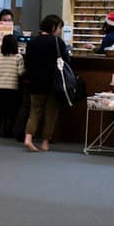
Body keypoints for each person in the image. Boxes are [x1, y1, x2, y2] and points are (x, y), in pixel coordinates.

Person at [23, 14, 71, 152]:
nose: (60, 31)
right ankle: (45, 143)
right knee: (51, 113)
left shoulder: (32, 42)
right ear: (54, 27)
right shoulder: (58, 42)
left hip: (35, 82)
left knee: (34, 111)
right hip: (53, 82)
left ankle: (28, 138)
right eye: (60, 27)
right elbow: (66, 61)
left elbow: (28, 62)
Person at [0, 34, 24, 137]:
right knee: (11, 112)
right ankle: (7, 132)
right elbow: (20, 72)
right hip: (12, 88)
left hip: (0, 87)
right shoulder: (18, 57)